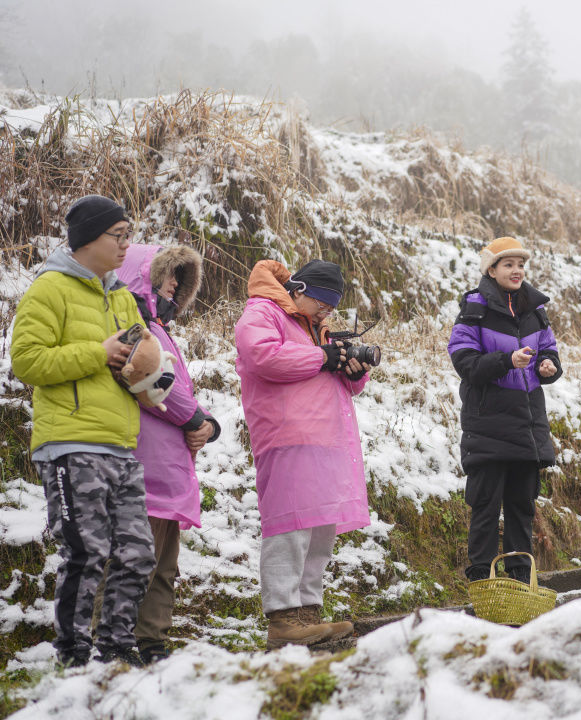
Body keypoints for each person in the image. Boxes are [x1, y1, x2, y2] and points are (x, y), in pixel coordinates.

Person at [11, 195, 156, 667]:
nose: (125, 245)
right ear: (87, 238)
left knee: (136, 554)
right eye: (119, 235)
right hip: (70, 446)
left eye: (128, 235)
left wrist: (152, 377)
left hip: (121, 445)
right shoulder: (49, 289)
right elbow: (27, 362)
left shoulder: (121, 297)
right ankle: (73, 656)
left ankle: (117, 653)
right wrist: (100, 352)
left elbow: (139, 361)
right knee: (86, 552)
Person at [234, 259, 370, 649]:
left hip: (327, 436)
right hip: (286, 434)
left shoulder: (315, 327)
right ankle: (283, 618)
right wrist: (323, 357)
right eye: (322, 304)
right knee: (290, 527)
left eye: (331, 307)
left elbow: (347, 387)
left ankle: (309, 612)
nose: (327, 312)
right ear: (298, 291)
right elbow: (263, 357)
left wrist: (352, 367)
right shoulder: (263, 311)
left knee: (321, 528)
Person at [115, 243, 220, 664]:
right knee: (131, 560)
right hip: (145, 462)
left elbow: (179, 389)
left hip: (168, 466)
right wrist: (196, 420)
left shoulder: (159, 328)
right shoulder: (130, 322)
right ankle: (114, 644)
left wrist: (208, 425)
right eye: (169, 274)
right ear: (143, 274)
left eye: (180, 277)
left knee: (162, 565)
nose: (175, 284)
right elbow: (151, 379)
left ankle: (151, 643)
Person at [447, 236, 564, 583]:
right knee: (485, 508)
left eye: (521, 264)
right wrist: (505, 361)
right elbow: (465, 362)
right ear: (492, 269)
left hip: (527, 425)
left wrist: (548, 366)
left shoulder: (535, 310)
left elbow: (550, 351)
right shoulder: (474, 309)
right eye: (508, 264)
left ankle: (519, 582)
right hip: (488, 426)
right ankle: (481, 581)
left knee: (521, 507)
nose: (517, 270)